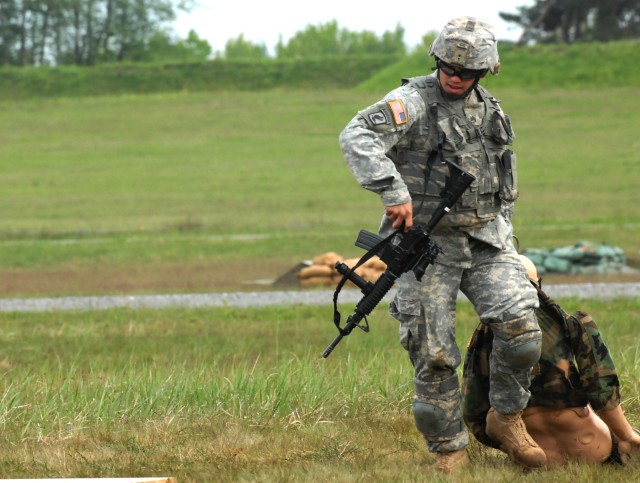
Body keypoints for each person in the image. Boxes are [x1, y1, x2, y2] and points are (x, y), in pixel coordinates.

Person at [338, 16, 545, 473]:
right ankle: (449, 449)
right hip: (426, 247)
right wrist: (393, 192)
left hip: (489, 240)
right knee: (432, 353)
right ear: (437, 60)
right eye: (448, 67)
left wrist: (510, 241)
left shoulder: (490, 109)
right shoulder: (410, 102)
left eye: (466, 72)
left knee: (523, 333)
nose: (455, 76)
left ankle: (506, 419)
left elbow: (501, 183)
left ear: (485, 72)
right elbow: (356, 135)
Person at [463, 255, 640, 467]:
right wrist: (628, 436)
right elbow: (601, 387)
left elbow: (473, 411)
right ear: (538, 284)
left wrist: (508, 445)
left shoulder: (483, 339)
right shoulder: (572, 323)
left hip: (533, 454)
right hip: (592, 446)